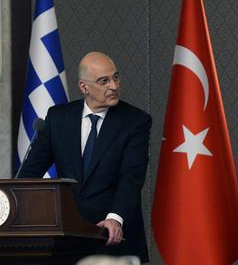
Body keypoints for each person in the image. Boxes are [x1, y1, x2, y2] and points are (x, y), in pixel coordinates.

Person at [18, 52, 151, 263]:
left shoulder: (135, 121)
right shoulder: (58, 118)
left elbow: (131, 178)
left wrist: (114, 219)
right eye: (104, 81)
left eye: (115, 77)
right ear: (84, 87)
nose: (114, 86)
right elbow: (28, 176)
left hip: (112, 237)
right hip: (66, 239)